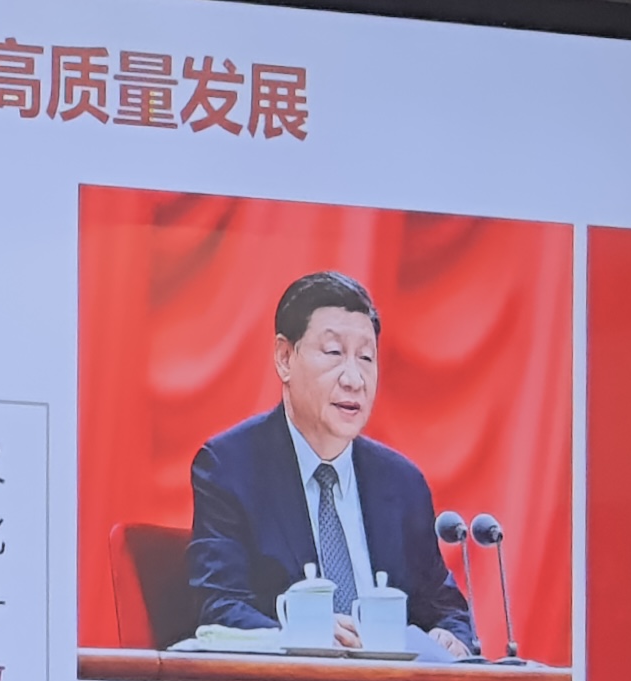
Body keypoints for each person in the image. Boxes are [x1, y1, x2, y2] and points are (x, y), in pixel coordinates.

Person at [182, 269, 479, 659]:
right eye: (334, 353)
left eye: (366, 358)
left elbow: (446, 607)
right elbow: (219, 607)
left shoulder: (401, 482)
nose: (354, 379)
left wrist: (451, 635)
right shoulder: (231, 467)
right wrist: (302, 633)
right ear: (285, 358)